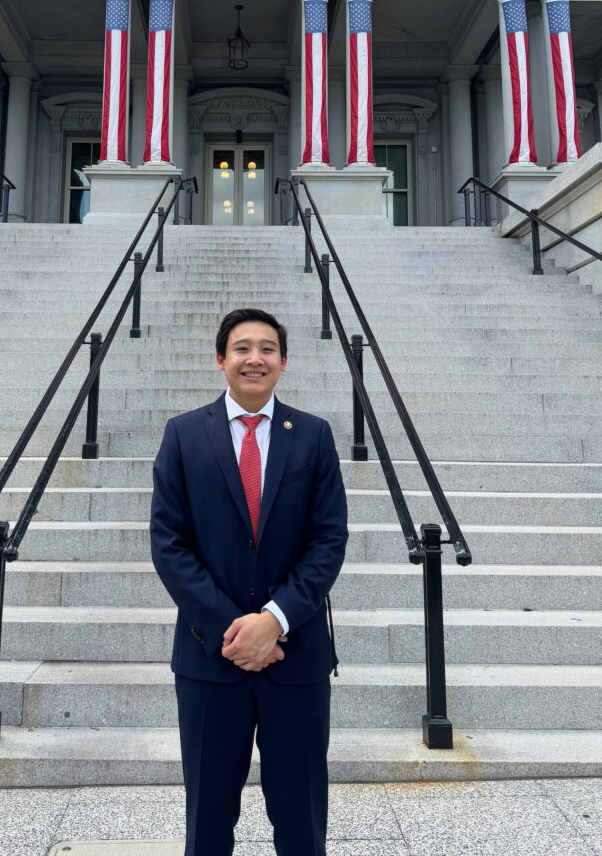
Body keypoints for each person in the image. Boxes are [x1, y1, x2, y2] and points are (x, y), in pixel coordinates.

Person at [150, 307, 349, 856]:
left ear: (284, 362)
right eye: (242, 348)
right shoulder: (185, 434)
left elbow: (328, 539)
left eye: (267, 349)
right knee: (208, 820)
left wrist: (275, 620)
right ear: (221, 360)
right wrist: (232, 630)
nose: (254, 358)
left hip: (297, 656)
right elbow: (168, 543)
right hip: (210, 659)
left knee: (302, 818)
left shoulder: (312, 436)